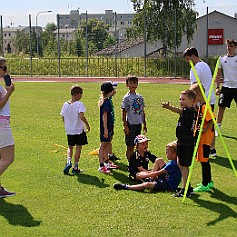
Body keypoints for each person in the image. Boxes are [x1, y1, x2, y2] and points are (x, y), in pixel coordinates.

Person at [161, 90, 197, 197]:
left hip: (186, 143)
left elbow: (179, 111)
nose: (181, 101)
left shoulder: (189, 111)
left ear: (191, 101)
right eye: (180, 99)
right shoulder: (188, 110)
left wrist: (169, 107)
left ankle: (185, 189)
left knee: (183, 165)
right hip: (182, 141)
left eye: (183, 99)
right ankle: (187, 185)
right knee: (180, 163)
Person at [183, 47, 217, 157]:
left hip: (201, 100)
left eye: (188, 59)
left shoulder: (196, 68)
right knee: (210, 124)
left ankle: (202, 149)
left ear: (193, 56)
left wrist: (191, 101)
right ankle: (212, 149)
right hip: (210, 98)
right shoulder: (205, 65)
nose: (188, 62)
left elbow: (194, 87)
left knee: (200, 125)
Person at [114, 140, 181, 193]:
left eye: (167, 152)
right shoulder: (135, 156)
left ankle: (127, 187)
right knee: (159, 160)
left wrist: (146, 176)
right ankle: (151, 178)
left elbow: (158, 173)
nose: (166, 154)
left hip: (167, 185)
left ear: (174, 154)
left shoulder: (172, 164)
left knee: (147, 185)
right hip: (137, 173)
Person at [60, 85, 90, 175]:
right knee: (78, 147)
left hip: (69, 130)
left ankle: (68, 161)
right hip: (78, 129)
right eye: (81, 94)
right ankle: (75, 166)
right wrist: (87, 124)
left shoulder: (65, 104)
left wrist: (67, 125)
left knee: (70, 147)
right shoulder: (79, 104)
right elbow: (81, 116)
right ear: (77, 94)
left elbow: (62, 116)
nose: (81, 96)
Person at [190, 83, 215, 192]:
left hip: (205, 139)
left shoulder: (205, 107)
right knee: (202, 160)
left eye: (193, 95)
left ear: (199, 94)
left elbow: (212, 119)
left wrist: (204, 130)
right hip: (201, 139)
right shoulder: (201, 107)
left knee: (204, 161)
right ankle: (208, 181)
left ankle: (206, 183)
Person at [0, 57, 16, 198]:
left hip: (2, 123)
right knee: (8, 158)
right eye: (4, 68)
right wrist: (9, 92)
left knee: (1, 158)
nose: (6, 70)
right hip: (1, 125)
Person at [121, 75, 147, 161]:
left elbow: (142, 111)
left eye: (135, 83)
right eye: (131, 83)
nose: (133, 85)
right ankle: (130, 163)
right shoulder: (126, 98)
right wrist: (125, 125)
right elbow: (124, 112)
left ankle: (137, 162)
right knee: (130, 146)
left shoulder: (140, 97)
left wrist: (144, 123)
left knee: (138, 144)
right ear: (127, 84)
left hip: (138, 123)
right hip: (130, 124)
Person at [215, 39, 237, 136]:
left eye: (231, 46)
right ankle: (217, 128)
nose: (229, 48)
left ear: (235, 47)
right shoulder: (222, 59)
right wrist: (217, 87)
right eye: (228, 46)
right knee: (221, 107)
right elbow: (218, 74)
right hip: (226, 87)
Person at [98, 82, 119, 174]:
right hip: (105, 127)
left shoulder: (106, 99)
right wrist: (105, 128)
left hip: (109, 126)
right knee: (103, 146)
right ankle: (101, 165)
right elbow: (105, 116)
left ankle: (106, 162)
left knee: (106, 144)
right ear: (110, 91)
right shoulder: (106, 102)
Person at [106, 81, 120, 161]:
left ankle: (109, 153)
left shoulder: (109, 98)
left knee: (110, 139)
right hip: (108, 123)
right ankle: (108, 154)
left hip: (110, 121)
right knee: (108, 139)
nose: (114, 91)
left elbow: (114, 92)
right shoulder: (106, 100)